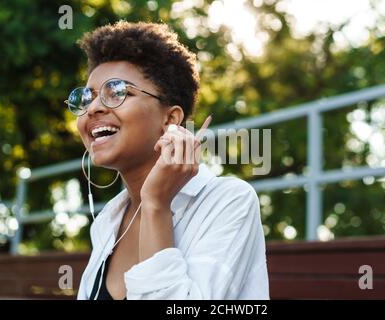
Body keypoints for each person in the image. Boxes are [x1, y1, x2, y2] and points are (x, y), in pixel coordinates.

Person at [67, 21, 269, 300]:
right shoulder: (107, 221)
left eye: (117, 92)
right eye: (86, 98)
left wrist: (156, 205)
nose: (93, 109)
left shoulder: (230, 201)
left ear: (171, 119)